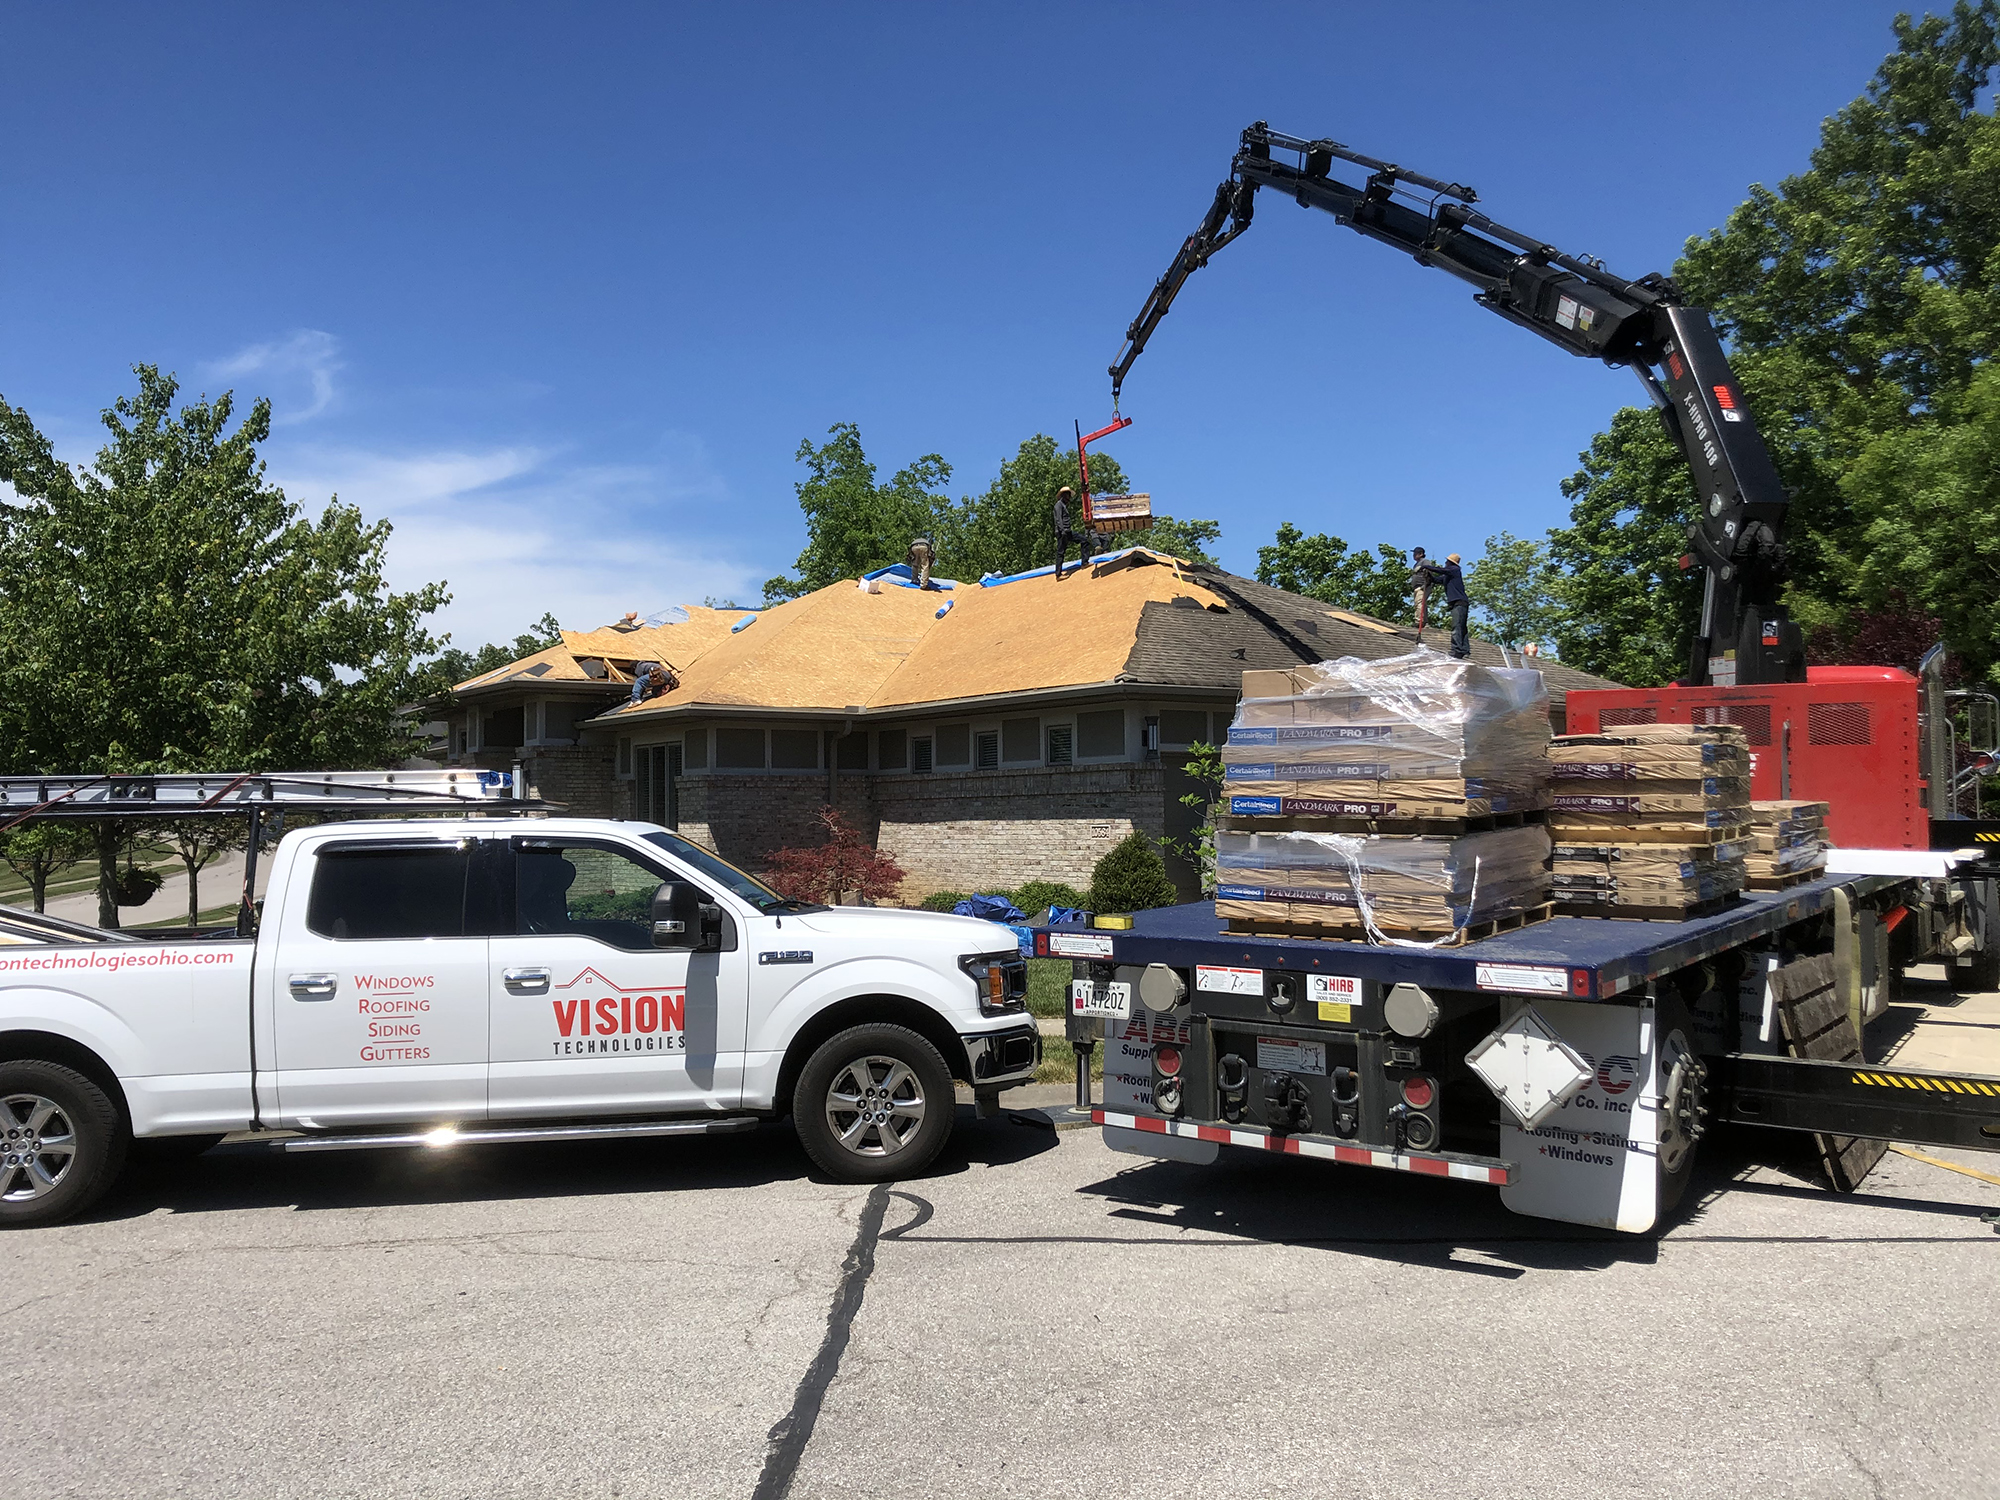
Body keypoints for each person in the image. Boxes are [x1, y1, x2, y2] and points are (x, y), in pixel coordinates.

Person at [1053, 486, 1095, 579]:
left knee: (1084, 540)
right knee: (1061, 552)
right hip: (1062, 532)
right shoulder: (1058, 505)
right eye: (1067, 495)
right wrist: (1062, 530)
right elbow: (1058, 519)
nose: (1069, 497)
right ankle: (1058, 574)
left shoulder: (1063, 505)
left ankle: (1084, 562)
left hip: (1067, 532)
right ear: (1063, 495)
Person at [1439, 552, 1470, 659]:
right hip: (1458, 603)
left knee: (1457, 626)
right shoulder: (1448, 575)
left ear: (1450, 563)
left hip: (1459, 602)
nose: (1445, 563)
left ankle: (1457, 649)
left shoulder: (1454, 570)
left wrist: (1426, 567)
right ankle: (1464, 650)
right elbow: (1438, 579)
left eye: (1447, 561)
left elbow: (1441, 570)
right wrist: (1429, 576)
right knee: (1461, 626)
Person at [1408, 547, 1442, 639]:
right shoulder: (1416, 564)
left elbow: (1429, 571)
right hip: (1417, 587)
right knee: (1422, 604)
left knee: (1419, 603)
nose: (1414, 555)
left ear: (1421, 554)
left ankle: (1419, 621)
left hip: (1423, 586)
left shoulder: (1425, 562)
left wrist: (1424, 585)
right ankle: (1425, 621)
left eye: (1416, 553)